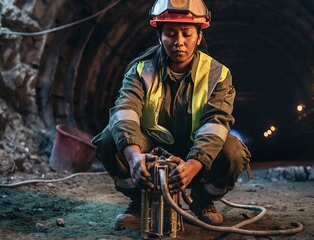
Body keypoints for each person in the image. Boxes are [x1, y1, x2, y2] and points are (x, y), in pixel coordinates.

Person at [91, 0, 251, 230]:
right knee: (108, 139)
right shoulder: (140, 70)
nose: (179, 42)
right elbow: (125, 111)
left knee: (233, 151)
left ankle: (202, 201)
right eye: (170, 33)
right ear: (159, 36)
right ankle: (139, 200)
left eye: (186, 33)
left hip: (195, 153)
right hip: (150, 153)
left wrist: (194, 165)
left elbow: (216, 123)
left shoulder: (217, 74)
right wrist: (134, 157)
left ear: (198, 35)